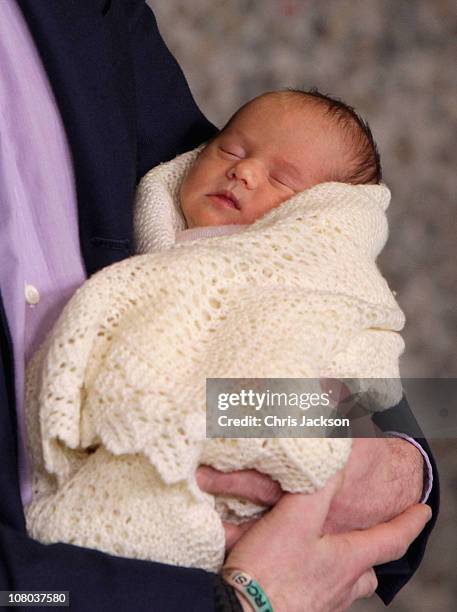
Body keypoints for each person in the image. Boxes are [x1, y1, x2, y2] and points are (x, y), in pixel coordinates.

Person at [0, 1, 438, 610]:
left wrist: (400, 468)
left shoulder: (83, 12)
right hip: (59, 562)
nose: (246, 173)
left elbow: (342, 372)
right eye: (232, 154)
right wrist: (237, 600)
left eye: (283, 180)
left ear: (320, 218)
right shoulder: (171, 244)